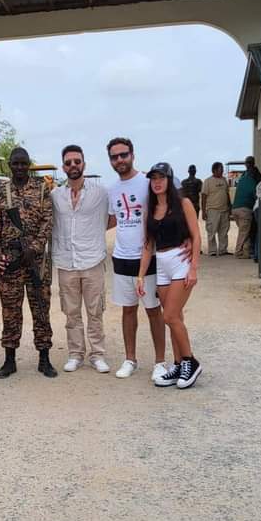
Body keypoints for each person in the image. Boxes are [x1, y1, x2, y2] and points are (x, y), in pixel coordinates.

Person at [0, 146, 56, 379]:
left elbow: (47, 222)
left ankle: (44, 359)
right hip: (11, 263)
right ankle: (9, 360)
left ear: (29, 165)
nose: (19, 167)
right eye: (15, 163)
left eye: (23, 163)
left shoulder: (41, 189)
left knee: (41, 309)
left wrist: (34, 248)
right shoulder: (0, 192)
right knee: (10, 313)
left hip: (37, 263)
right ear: (10, 165)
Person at [106, 137, 170, 382]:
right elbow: (112, 219)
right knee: (128, 310)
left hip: (149, 258)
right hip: (122, 258)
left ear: (132, 155)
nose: (120, 160)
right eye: (114, 157)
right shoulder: (112, 189)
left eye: (123, 155)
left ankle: (160, 362)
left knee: (154, 310)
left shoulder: (147, 183)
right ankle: (130, 359)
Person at [138, 162, 202, 389]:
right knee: (175, 319)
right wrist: (140, 276)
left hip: (180, 262)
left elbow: (196, 236)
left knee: (170, 316)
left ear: (169, 180)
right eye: (153, 178)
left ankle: (190, 362)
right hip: (162, 264)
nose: (157, 182)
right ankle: (178, 364)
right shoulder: (150, 209)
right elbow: (148, 246)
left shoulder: (183, 204)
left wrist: (193, 268)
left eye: (161, 178)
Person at [51, 144, 110, 373]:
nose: (73, 165)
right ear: (63, 167)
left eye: (77, 161)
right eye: (68, 162)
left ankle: (98, 354)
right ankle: (75, 353)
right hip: (66, 261)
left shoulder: (100, 193)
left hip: (93, 259)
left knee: (95, 311)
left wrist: (94, 233)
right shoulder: (55, 195)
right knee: (71, 312)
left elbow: (113, 218)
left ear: (84, 163)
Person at [232, 157, 261, 258]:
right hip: (246, 209)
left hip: (235, 209)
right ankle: (238, 252)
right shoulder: (255, 176)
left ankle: (246, 252)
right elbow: (257, 193)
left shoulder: (243, 176)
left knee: (246, 231)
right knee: (245, 232)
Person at [201, 161, 231, 256]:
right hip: (212, 210)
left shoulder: (224, 180)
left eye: (222, 169)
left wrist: (229, 207)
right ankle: (212, 251)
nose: (222, 171)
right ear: (214, 170)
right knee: (212, 231)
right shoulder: (208, 181)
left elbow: (227, 194)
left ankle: (223, 250)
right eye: (220, 169)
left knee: (224, 231)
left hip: (224, 210)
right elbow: (204, 196)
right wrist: (203, 211)